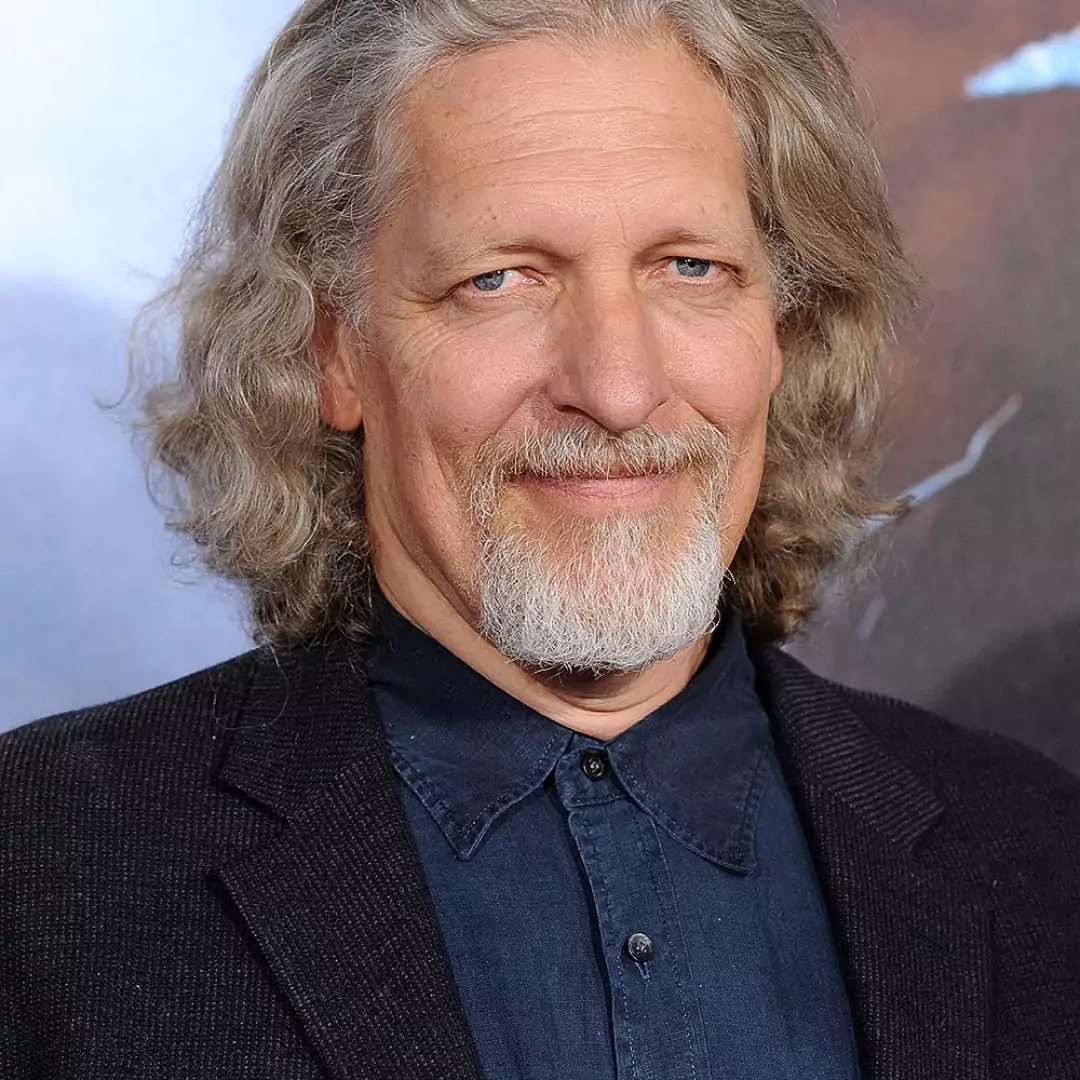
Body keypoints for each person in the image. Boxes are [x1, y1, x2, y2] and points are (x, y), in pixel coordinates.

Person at [2, 0, 1078, 1077]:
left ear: (784, 329)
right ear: (331, 348)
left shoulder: (1038, 854)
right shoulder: (42, 872)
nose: (616, 388)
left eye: (689, 267)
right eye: (500, 280)